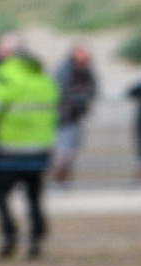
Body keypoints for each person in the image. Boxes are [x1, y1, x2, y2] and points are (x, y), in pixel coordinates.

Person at [0, 35, 58, 259]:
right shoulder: (42, 77)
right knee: (34, 195)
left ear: (8, 54)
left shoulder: (5, 76)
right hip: (40, 148)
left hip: (9, 148)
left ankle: (10, 233)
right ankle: (37, 237)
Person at [51, 44, 97, 185]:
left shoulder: (87, 72)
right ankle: (55, 184)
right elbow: (60, 93)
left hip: (75, 118)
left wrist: (81, 99)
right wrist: (78, 98)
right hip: (61, 120)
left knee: (70, 155)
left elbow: (92, 90)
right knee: (61, 156)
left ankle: (62, 184)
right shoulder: (63, 71)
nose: (82, 61)